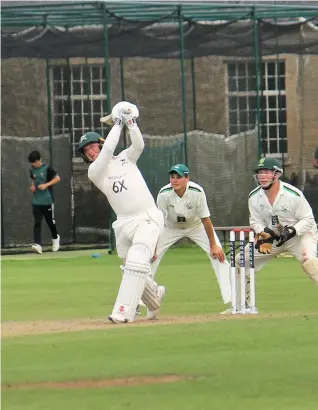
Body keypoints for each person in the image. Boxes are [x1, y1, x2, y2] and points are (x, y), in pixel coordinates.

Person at [77, 101, 166, 324]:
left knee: (136, 263)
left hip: (147, 217)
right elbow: (107, 152)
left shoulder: (126, 157)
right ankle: (155, 297)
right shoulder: (94, 171)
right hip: (124, 223)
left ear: (100, 143)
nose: (91, 152)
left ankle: (123, 311)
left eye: (93, 147)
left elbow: (139, 145)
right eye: (87, 151)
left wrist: (130, 123)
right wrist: (118, 122)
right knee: (131, 267)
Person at [233, 157, 318, 313]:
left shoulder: (293, 195)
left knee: (309, 261)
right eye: (260, 173)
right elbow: (254, 220)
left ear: (277, 174)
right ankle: (243, 306)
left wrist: (292, 231)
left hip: (300, 235)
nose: (262, 176)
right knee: (240, 261)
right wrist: (263, 232)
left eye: (266, 172)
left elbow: (308, 219)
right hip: (273, 238)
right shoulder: (254, 196)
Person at [150, 164, 232, 312]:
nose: (174, 180)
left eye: (179, 177)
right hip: (170, 227)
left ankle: (233, 302)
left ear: (187, 178)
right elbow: (158, 222)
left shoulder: (197, 192)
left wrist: (214, 245)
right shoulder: (164, 193)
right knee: (149, 259)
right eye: (172, 177)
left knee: (219, 257)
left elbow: (206, 220)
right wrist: (154, 248)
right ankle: (143, 301)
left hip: (196, 226)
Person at [28, 150, 61, 254]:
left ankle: (55, 238)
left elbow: (57, 178)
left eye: (34, 162)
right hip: (36, 201)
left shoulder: (47, 169)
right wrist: (32, 187)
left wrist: (46, 185)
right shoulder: (32, 170)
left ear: (39, 160)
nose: (33, 164)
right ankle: (38, 244)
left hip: (47, 200)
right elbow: (33, 180)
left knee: (50, 222)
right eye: (32, 163)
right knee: (37, 222)